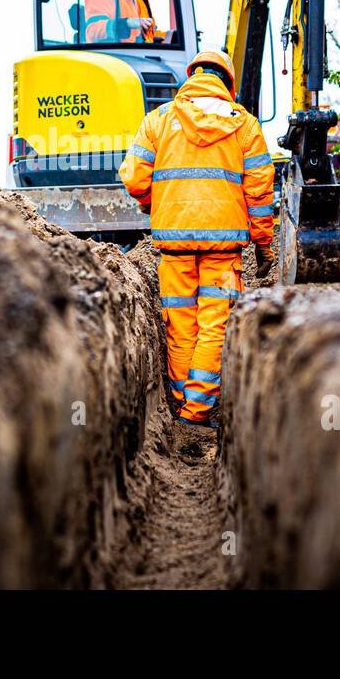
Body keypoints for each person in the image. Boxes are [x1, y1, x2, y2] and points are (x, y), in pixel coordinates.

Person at [118, 50, 276, 445]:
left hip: (174, 244)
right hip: (224, 247)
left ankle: (180, 405)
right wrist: (264, 243)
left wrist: (159, 202)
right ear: (227, 82)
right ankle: (197, 411)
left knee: (181, 323)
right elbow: (259, 194)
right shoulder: (246, 126)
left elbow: (135, 179)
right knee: (214, 325)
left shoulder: (159, 120)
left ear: (192, 77)